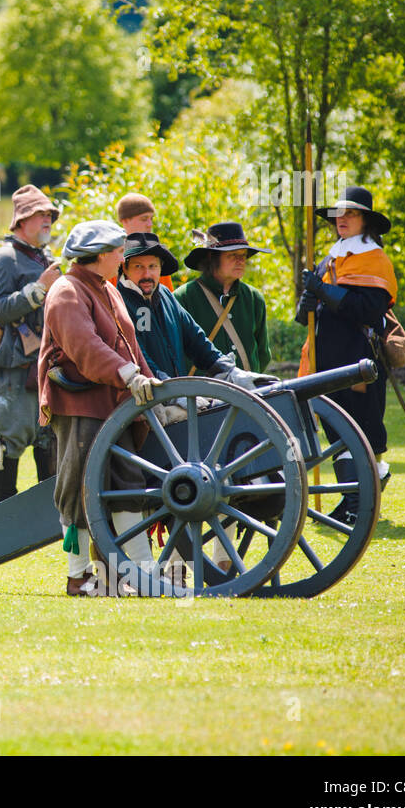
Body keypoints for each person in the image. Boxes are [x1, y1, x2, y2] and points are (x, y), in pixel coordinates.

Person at [118, 232, 276, 575]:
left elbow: (200, 345)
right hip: (144, 407)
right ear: (124, 270)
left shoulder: (168, 299)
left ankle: (209, 560)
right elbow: (135, 355)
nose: (147, 274)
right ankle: (172, 566)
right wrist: (171, 386)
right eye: (139, 267)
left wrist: (232, 374)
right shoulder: (118, 300)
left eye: (153, 266)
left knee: (223, 457)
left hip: (175, 402)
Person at [37, 221, 157, 596]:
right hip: (80, 404)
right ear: (102, 254)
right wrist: (126, 374)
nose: (124, 258)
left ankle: (141, 572)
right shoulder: (66, 291)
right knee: (77, 490)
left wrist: (154, 389)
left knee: (127, 485)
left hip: (115, 403)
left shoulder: (110, 290)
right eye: (119, 251)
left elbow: (131, 349)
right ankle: (78, 576)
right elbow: (84, 347)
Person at [296, 185, 397, 525]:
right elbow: (312, 316)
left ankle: (362, 495)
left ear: (365, 221)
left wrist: (323, 290)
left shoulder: (375, 259)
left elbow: (368, 311)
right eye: (339, 214)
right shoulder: (331, 257)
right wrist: (307, 304)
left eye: (350, 214)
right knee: (336, 431)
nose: (342, 220)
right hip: (327, 357)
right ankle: (351, 497)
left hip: (359, 361)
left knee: (360, 429)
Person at [0, 185, 60, 500]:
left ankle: (47, 515)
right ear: (22, 220)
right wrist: (38, 289)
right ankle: (4, 514)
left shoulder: (44, 257)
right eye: (40, 215)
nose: (47, 221)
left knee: (47, 438)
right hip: (16, 366)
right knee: (9, 441)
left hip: (46, 364)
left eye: (49, 216)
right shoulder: (4, 259)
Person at [176, 222, 272, 372]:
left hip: (246, 392)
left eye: (243, 255)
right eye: (232, 255)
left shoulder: (253, 298)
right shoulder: (184, 298)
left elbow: (263, 354)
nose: (240, 261)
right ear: (212, 257)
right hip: (200, 393)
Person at [115, 194, 174, 291]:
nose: (150, 224)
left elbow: (167, 298)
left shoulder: (157, 253)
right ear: (125, 220)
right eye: (144, 219)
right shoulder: (114, 256)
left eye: (151, 219)